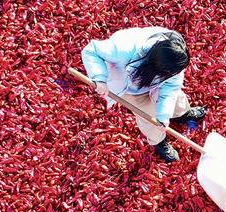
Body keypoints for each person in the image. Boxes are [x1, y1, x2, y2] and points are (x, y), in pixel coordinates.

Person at [81, 27, 206, 162]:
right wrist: (100, 78)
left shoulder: (176, 55)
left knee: (175, 99)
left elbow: (171, 86)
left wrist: (163, 116)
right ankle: (159, 141)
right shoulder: (124, 49)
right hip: (130, 87)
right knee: (148, 116)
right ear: (157, 65)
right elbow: (91, 51)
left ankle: (182, 114)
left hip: (157, 80)